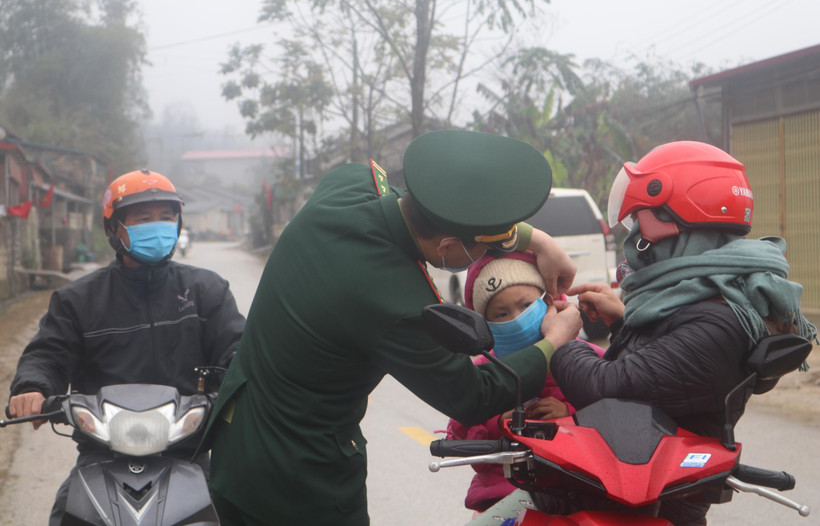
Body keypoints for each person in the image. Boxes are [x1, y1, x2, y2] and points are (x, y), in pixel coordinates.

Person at [200, 129, 583, 525]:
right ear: (447, 247)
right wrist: (555, 339)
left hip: (236, 446)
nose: (489, 253)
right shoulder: (396, 301)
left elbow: (411, 196)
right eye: (485, 248)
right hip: (295, 482)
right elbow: (474, 396)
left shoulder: (347, 185)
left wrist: (539, 241)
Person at [544, 141, 817, 526]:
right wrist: (623, 322)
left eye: (641, 220)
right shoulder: (701, 297)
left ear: (674, 218)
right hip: (620, 489)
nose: (635, 236)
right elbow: (662, 373)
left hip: (655, 507)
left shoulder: (721, 322)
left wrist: (560, 339)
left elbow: (608, 384)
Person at [7, 169, 246, 525]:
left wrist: (249, 381)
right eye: (144, 218)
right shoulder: (78, 300)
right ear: (113, 228)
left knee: (241, 511)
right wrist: (32, 386)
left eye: (167, 217)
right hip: (101, 454)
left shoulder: (205, 291)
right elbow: (47, 354)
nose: (159, 226)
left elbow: (237, 349)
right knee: (66, 513)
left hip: (188, 454)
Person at [444, 251, 605, 515]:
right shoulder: (482, 373)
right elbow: (460, 435)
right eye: (501, 313)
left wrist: (571, 416)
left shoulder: (588, 358)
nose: (516, 319)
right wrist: (497, 422)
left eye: (525, 306)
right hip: (503, 499)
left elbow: (619, 415)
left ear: (549, 301)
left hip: (581, 494)